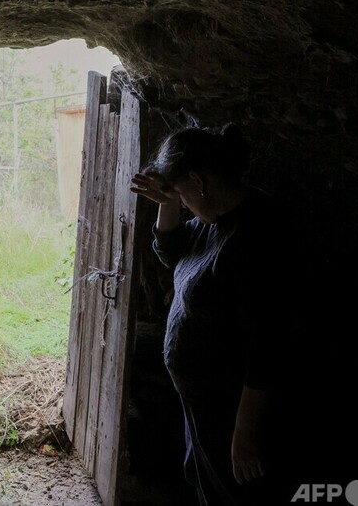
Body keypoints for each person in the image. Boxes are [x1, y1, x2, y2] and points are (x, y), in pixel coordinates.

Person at [130, 123, 298, 505]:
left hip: (231, 409)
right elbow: (172, 253)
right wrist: (167, 202)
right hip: (202, 404)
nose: (184, 205)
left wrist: (246, 432)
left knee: (235, 495)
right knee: (206, 488)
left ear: (198, 180)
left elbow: (268, 342)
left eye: (183, 196)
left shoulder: (257, 234)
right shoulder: (215, 221)